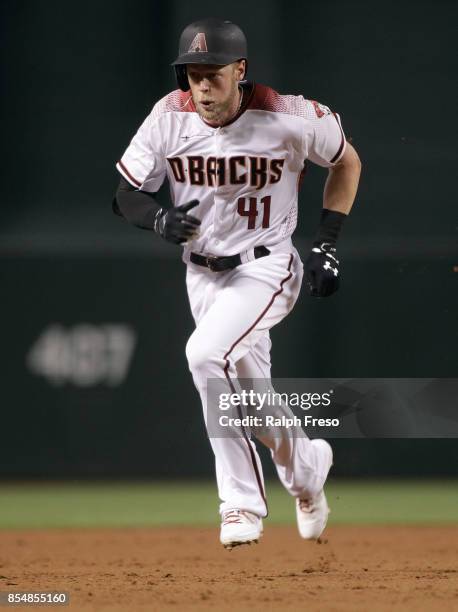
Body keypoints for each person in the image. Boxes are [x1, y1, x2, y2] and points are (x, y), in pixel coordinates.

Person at [113, 17, 361, 549]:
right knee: (251, 400)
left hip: (265, 265)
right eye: (192, 74)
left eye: (212, 73)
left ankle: (241, 503)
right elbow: (127, 193)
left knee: (205, 355)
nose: (201, 85)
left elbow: (347, 162)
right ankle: (309, 469)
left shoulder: (289, 115)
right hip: (202, 273)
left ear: (239, 70)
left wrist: (326, 242)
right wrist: (156, 219)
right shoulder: (168, 116)